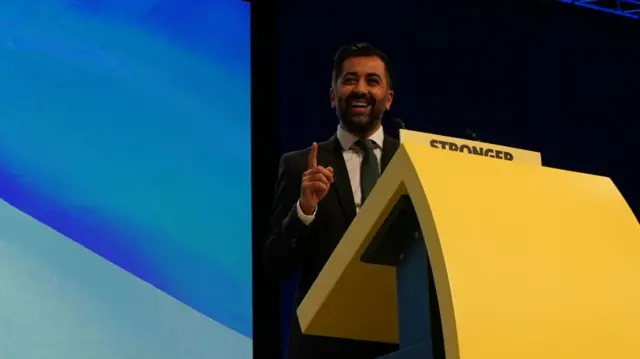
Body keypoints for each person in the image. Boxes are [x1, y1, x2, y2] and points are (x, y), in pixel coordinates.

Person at [264, 43, 400, 359]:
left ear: (388, 99)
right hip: (323, 347)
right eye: (350, 80)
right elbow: (275, 263)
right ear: (332, 95)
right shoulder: (300, 166)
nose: (361, 89)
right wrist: (304, 210)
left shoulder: (414, 163)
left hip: (402, 343)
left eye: (372, 81)